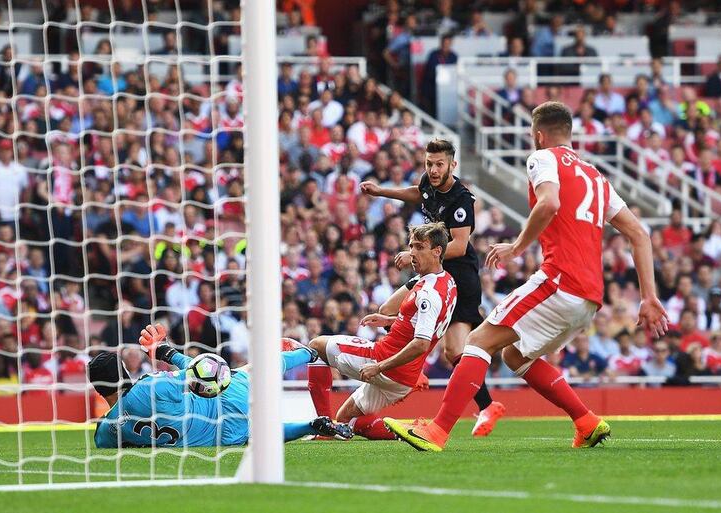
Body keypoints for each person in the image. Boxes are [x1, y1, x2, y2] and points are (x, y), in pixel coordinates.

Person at [385, 101, 668, 451]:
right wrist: (649, 296)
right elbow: (639, 234)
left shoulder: (543, 158)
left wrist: (516, 247)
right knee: (515, 355)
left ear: (538, 135)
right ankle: (586, 421)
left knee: (477, 342)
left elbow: (548, 203)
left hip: (559, 281)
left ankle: (437, 430)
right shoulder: (596, 176)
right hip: (589, 296)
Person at [360, 139, 506, 437]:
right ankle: (412, 370)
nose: (433, 169)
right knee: (388, 310)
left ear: (453, 164)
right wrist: (381, 191)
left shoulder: (461, 199)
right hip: (432, 272)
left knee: (455, 349)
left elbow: (460, 245)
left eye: (439, 164)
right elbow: (419, 194)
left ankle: (487, 405)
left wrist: (415, 254)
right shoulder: (429, 181)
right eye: (429, 163)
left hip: (458, 278)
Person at [306, 223, 456, 440]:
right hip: (405, 379)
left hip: (385, 361)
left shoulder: (428, 293)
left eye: (420, 247)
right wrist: (391, 319)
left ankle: (325, 430)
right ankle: (404, 431)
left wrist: (379, 367)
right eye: (411, 246)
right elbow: (428, 326)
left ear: (437, 251)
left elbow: (422, 343)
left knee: (316, 346)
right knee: (346, 417)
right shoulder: (448, 282)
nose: (412, 253)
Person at [91, 324, 352, 448]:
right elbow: (205, 371)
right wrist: (165, 352)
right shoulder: (149, 387)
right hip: (223, 401)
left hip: (222, 438)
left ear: (98, 389)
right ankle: (309, 353)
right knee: (249, 371)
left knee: (261, 435)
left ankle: (310, 425)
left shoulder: (106, 431)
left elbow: (107, 437)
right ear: (125, 372)